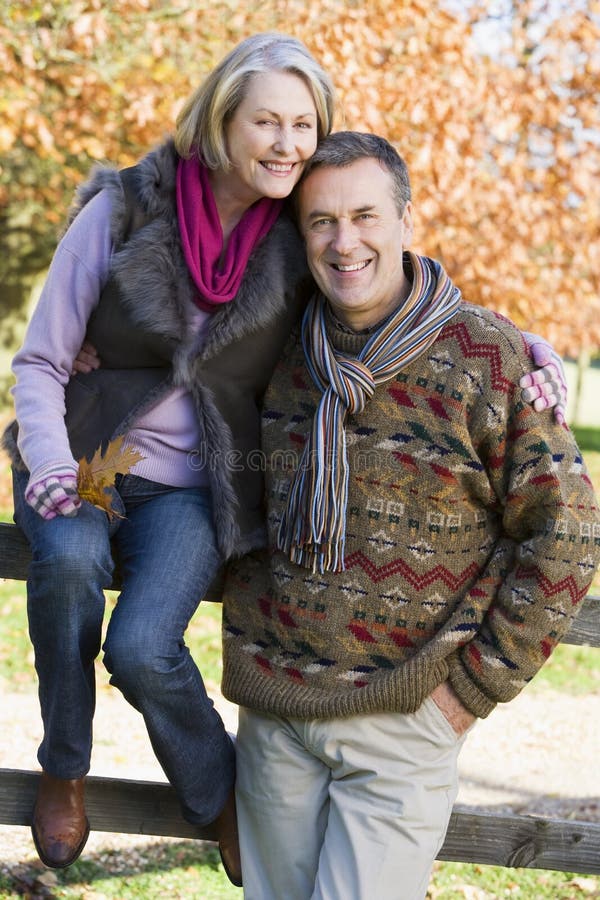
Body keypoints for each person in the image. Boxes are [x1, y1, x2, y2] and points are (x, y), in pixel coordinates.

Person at [219, 131, 600, 900]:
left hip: (405, 715)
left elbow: (569, 529)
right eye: (321, 221)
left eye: (365, 215)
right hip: (276, 709)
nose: (344, 240)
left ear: (404, 218)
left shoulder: (486, 359)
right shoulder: (278, 350)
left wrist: (470, 693)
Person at [2, 32, 335, 880]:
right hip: (81, 460)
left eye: (305, 124)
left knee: (146, 646)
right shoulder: (121, 208)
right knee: (71, 562)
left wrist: (517, 347)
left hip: (194, 488)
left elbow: (395, 273)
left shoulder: (299, 235)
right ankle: (64, 764)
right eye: (269, 121)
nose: (289, 143)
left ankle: (221, 797)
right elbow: (40, 360)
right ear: (223, 120)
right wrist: (46, 461)